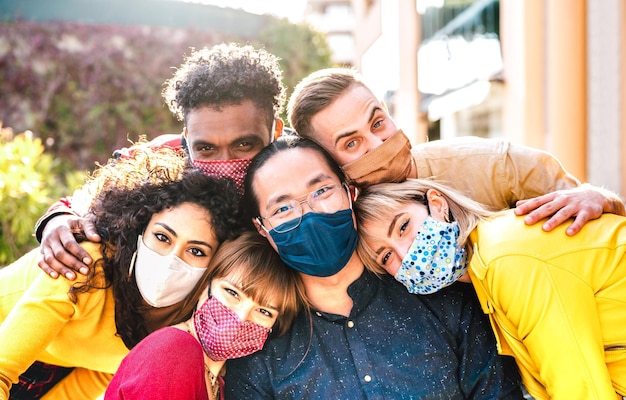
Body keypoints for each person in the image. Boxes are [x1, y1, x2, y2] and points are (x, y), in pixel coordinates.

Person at [224, 136, 524, 399]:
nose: (310, 213)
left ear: (349, 193)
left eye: (321, 191)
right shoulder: (261, 347)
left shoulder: (443, 299)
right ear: (262, 228)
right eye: (283, 208)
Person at [0, 148, 243, 399]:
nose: (172, 259)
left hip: (50, 372)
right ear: (139, 231)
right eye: (162, 237)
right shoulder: (86, 265)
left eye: (196, 251)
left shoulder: (183, 324)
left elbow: (92, 379)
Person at [353, 178, 626, 399]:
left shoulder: (504, 257)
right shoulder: (485, 271)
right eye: (386, 256)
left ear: (437, 204)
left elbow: (580, 386)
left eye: (403, 226)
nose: (405, 252)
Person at [35, 42, 287, 280]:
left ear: (275, 131)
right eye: (206, 148)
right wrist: (56, 222)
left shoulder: (301, 169)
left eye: (244, 145)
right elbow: (78, 203)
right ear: (188, 139)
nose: (225, 163)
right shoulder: (165, 157)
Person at [287, 67, 625, 236]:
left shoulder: (494, 166)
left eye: (377, 123)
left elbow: (602, 225)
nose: (378, 145)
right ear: (328, 162)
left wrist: (598, 197)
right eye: (351, 143)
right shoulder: (343, 228)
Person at [104, 231, 305, 400]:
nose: (242, 317)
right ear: (205, 285)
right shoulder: (175, 350)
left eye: (264, 311)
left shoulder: (220, 383)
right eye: (232, 292)